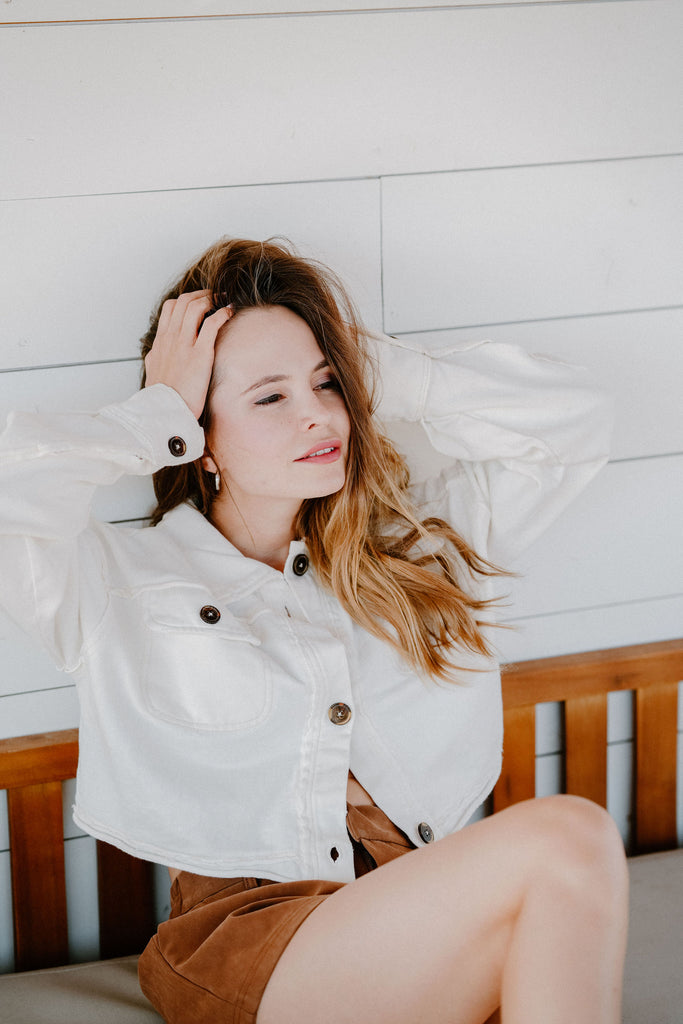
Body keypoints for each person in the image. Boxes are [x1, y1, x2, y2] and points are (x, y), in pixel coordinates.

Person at [0, 237, 627, 1023]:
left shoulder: (409, 551)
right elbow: (12, 497)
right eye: (269, 398)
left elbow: (574, 423)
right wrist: (152, 415)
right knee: (566, 834)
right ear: (198, 435)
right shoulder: (118, 580)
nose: (318, 415)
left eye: (328, 384)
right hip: (250, 941)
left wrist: (373, 369)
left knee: (551, 917)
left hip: (408, 913)